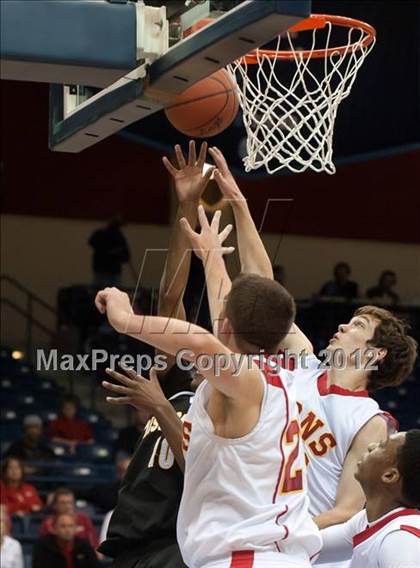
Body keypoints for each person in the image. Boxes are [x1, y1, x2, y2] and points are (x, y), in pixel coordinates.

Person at [191, 147, 417, 567]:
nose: (342, 327)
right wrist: (239, 203)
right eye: (348, 321)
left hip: (305, 554)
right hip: (263, 544)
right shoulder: (302, 362)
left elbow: (349, 511)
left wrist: (277, 535)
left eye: (356, 328)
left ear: (377, 353)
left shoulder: (369, 422)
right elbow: (261, 289)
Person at [95, 216, 321, 565]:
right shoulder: (281, 374)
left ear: (226, 328)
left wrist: (124, 318)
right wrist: (212, 256)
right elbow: (224, 319)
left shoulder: (245, 381)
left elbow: (201, 340)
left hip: (245, 558)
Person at [98, 141, 213, 568]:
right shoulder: (180, 383)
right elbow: (170, 295)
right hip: (130, 542)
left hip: (173, 545)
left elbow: (202, 469)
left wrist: (159, 407)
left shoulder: (230, 411)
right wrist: (186, 206)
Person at [318, 430, 420, 568]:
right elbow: (308, 545)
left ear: (389, 476)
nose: (371, 446)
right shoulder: (366, 520)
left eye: (382, 446)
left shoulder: (400, 540)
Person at [33, 513, 99, 568]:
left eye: (70, 526)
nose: (67, 530)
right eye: (63, 526)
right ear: (54, 529)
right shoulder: (43, 546)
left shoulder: (84, 545)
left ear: (75, 528)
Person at [88, 216, 130, 287]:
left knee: (101, 293)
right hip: (105, 271)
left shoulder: (117, 237)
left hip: (108, 271)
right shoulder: (117, 237)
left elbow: (126, 256)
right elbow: (126, 256)